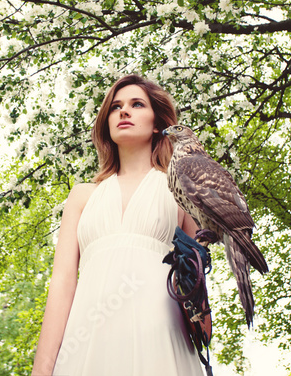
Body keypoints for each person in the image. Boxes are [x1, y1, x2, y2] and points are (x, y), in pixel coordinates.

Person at [31, 74, 204, 376]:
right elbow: (62, 283)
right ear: (107, 124)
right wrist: (42, 370)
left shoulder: (180, 191)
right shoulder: (83, 195)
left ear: (156, 123)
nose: (124, 111)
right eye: (115, 107)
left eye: (137, 104)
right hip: (86, 342)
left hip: (163, 340)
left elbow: (196, 284)